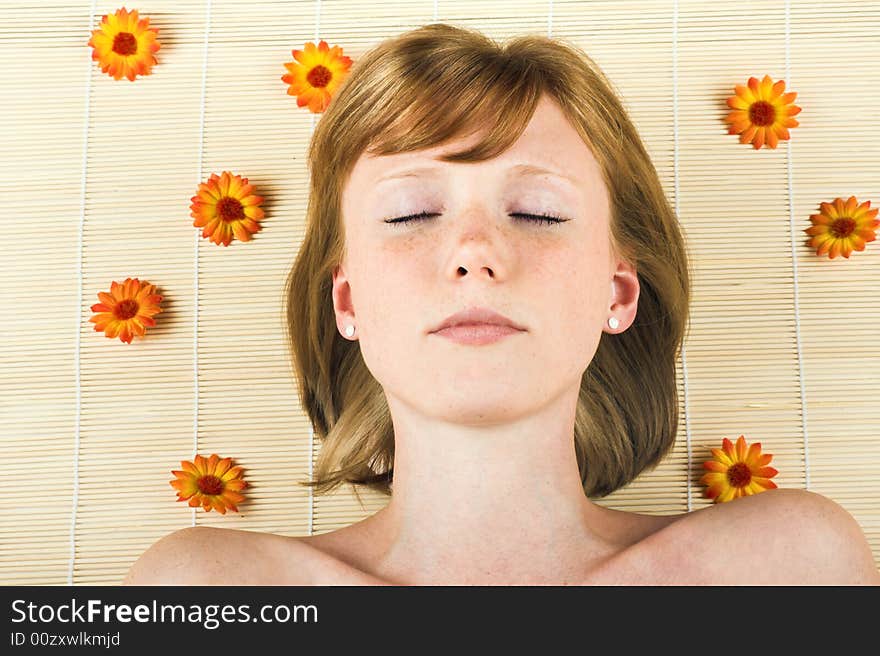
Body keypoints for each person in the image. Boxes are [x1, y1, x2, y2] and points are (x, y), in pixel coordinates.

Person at [124, 23, 879, 586]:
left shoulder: (784, 569)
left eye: (541, 214)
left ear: (617, 293)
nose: (474, 251)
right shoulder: (208, 592)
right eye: (412, 214)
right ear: (346, 300)